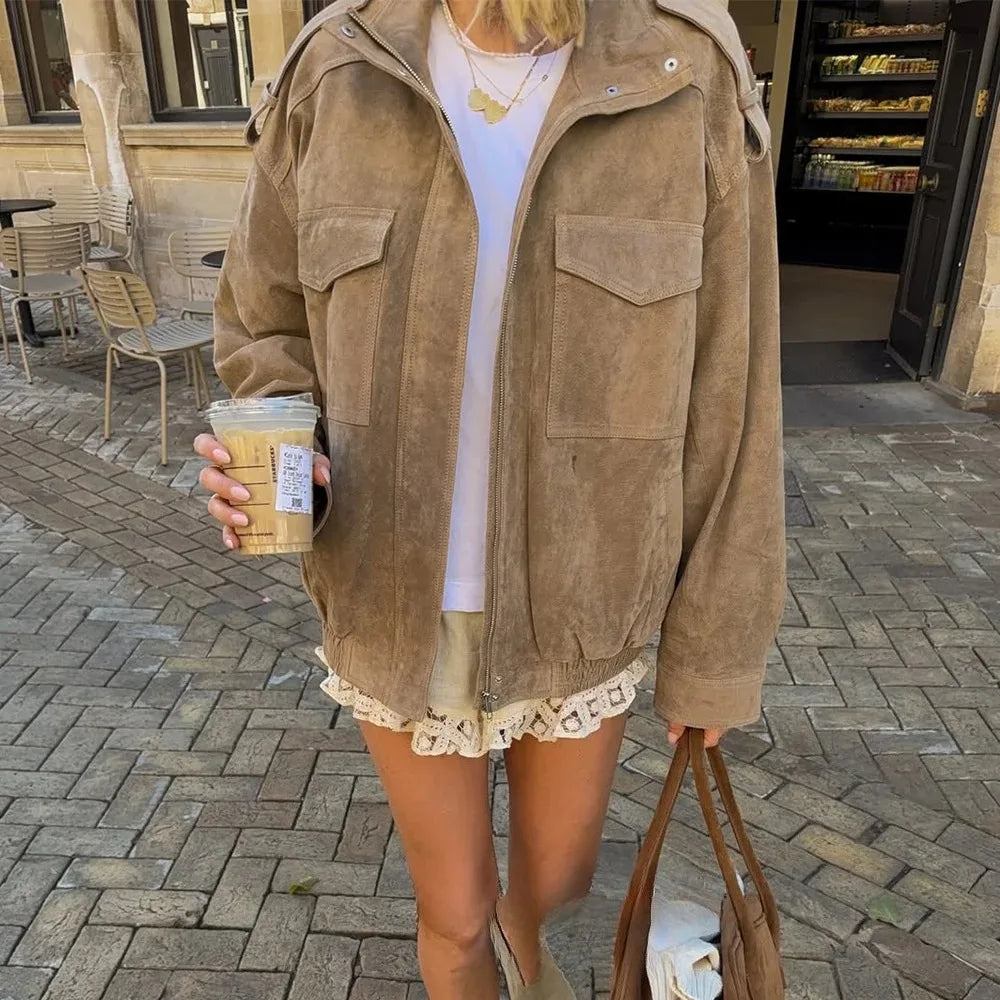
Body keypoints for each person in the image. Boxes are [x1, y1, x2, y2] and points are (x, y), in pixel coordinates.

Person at [195, 0, 785, 997]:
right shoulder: (337, 68)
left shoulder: (683, 73)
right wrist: (277, 442)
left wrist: (717, 651)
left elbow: (734, 393)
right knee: (458, 917)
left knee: (550, 896)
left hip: (583, 609)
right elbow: (265, 321)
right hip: (392, 598)